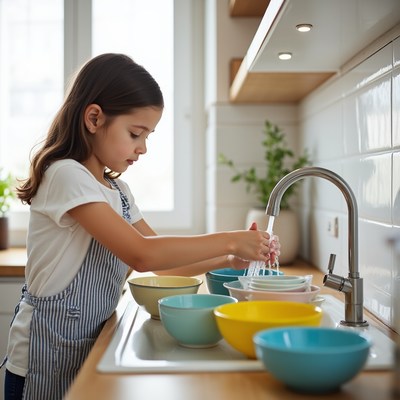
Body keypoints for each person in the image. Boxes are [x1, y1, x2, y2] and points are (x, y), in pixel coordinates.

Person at [1, 53, 279, 400]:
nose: (143, 148)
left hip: (85, 349)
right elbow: (143, 255)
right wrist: (231, 240)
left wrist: (227, 258)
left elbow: (161, 262)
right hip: (43, 359)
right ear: (94, 118)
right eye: (136, 133)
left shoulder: (118, 191)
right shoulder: (66, 175)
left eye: (148, 135)